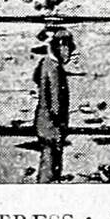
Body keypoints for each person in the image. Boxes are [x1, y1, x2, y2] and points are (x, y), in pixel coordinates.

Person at [33, 26, 75, 183]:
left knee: (48, 161)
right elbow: (56, 101)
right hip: (52, 125)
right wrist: (60, 125)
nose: (69, 54)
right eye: (67, 49)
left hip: (45, 122)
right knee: (51, 165)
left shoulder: (45, 63)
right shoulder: (54, 68)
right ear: (60, 46)